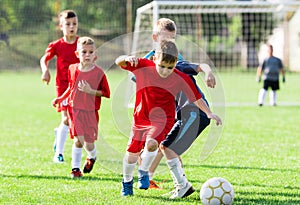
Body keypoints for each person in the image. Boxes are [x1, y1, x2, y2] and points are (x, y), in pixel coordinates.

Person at [115, 40, 222, 198]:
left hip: (163, 120)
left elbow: (196, 98)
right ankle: (127, 181)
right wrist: (126, 58)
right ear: (154, 59)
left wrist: (208, 113)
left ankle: (144, 171)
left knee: (152, 144)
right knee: (131, 154)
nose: (165, 71)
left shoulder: (180, 77)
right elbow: (119, 62)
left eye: (170, 68)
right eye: (162, 66)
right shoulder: (143, 65)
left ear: (175, 64)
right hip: (141, 117)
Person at [138, 18, 216, 190]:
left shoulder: (176, 62)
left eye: (171, 39)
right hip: (174, 112)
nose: (167, 43)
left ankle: (179, 185)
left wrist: (209, 73)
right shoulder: (148, 62)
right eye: (164, 39)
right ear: (155, 38)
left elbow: (198, 67)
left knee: (167, 147)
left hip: (191, 112)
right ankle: (174, 182)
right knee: (166, 146)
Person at [52, 37, 110, 178]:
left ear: (95, 55)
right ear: (77, 54)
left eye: (91, 52)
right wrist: (61, 98)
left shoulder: (99, 73)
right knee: (77, 140)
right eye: (84, 52)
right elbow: (71, 87)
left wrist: (90, 91)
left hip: (90, 112)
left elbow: (106, 93)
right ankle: (75, 169)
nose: (87, 55)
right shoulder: (72, 69)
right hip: (75, 110)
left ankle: (92, 156)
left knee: (89, 143)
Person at [40, 10, 79, 163]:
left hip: (78, 88)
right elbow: (44, 59)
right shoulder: (56, 45)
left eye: (74, 24)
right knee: (67, 119)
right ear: (61, 26)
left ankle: (59, 135)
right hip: (63, 87)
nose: (71, 27)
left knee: (72, 120)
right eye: (68, 24)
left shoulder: (81, 43)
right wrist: (45, 71)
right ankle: (59, 154)